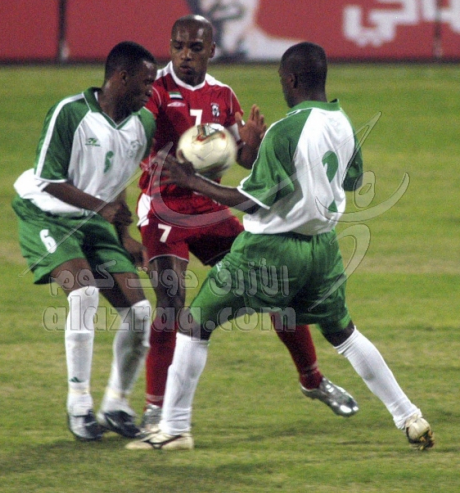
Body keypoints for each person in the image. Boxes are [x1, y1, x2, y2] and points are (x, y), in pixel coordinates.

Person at [127, 42, 435, 452]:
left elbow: (251, 201)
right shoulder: (343, 122)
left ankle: (174, 428)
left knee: (193, 324)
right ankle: (410, 416)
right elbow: (352, 180)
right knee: (344, 333)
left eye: (281, 81)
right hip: (323, 251)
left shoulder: (285, 130)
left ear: (291, 80)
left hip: (269, 251)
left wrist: (192, 180)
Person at [137, 15, 358, 435]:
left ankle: (313, 380)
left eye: (195, 48)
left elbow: (242, 159)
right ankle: (154, 408)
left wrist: (251, 146)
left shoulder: (222, 95)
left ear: (211, 50)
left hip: (209, 207)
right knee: (170, 301)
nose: (185, 55)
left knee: (277, 286)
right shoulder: (155, 92)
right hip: (163, 210)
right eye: (178, 46)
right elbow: (138, 133)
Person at [12, 41, 157, 442]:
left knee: (140, 312)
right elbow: (49, 180)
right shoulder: (70, 113)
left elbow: (119, 178)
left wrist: (124, 236)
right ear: (121, 78)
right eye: (146, 82)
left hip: (95, 220)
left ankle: (116, 404)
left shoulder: (143, 124)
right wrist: (102, 208)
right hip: (46, 213)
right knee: (84, 294)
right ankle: (79, 404)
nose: (151, 91)